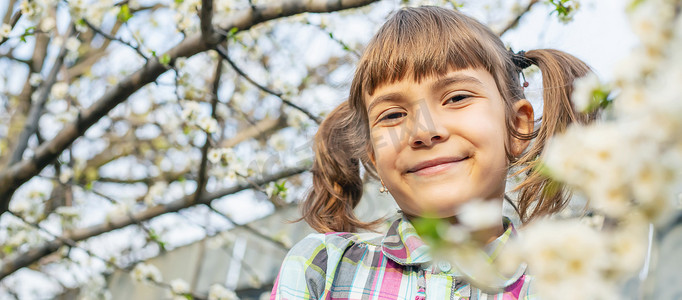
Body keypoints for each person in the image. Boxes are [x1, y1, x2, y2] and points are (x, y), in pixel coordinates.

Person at [271, 6, 595, 299]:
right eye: (393, 115)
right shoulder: (324, 267)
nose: (424, 132)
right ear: (373, 156)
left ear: (517, 126)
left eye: (456, 98)